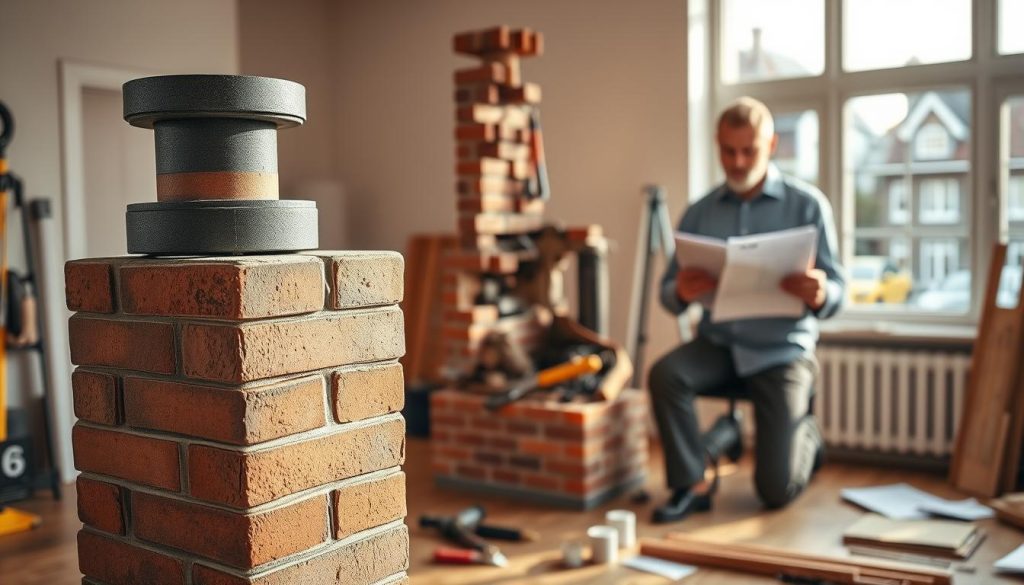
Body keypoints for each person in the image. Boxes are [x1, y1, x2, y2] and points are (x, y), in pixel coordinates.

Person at [648, 96, 846, 523]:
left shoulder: (807, 206)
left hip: (782, 351)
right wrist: (680, 291)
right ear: (717, 146)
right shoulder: (699, 213)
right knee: (666, 374)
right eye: (727, 151)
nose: (737, 162)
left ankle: (806, 436)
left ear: (771, 145)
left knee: (775, 491)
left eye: (748, 150)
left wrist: (821, 292)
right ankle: (693, 482)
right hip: (718, 344)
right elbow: (668, 294)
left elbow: (839, 292)